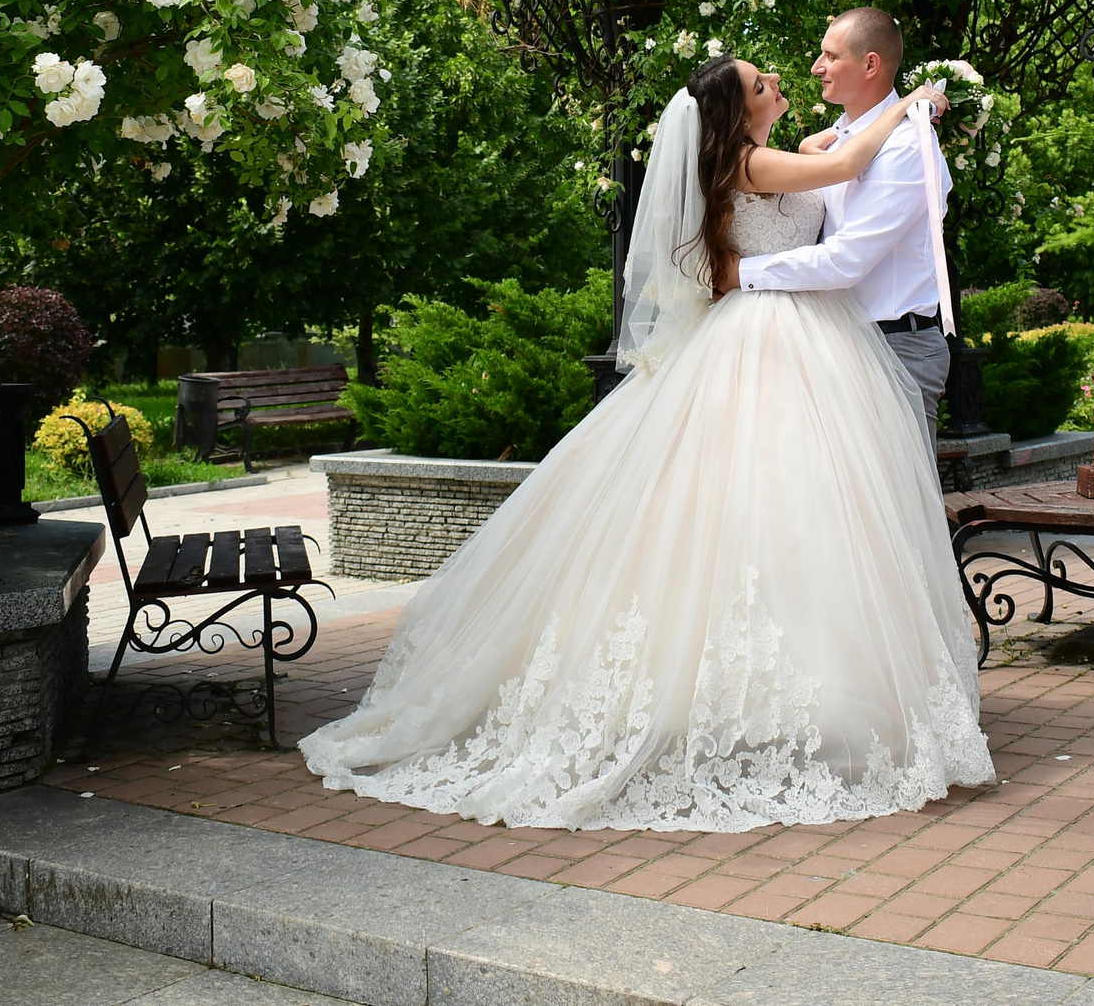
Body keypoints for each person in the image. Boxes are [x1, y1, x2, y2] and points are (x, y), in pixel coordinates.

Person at [298, 47, 993, 832]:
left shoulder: (766, 156)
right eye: (763, 84)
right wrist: (910, 106)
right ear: (738, 115)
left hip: (794, 334)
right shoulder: (755, 163)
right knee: (776, 510)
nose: (780, 84)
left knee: (791, 516)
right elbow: (851, 161)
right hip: (774, 338)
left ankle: (815, 685)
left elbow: (827, 159)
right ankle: (779, 693)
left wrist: (839, 138)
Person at [723, 7, 952, 426]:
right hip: (835, 344)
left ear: (870, 64)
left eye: (830, 56)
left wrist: (739, 273)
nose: (816, 67)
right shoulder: (839, 140)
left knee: (895, 492)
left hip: (895, 345)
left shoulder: (906, 146)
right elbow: (838, 170)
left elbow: (845, 260)